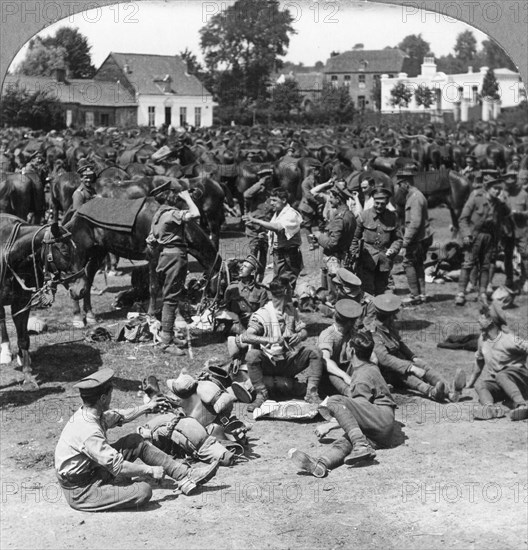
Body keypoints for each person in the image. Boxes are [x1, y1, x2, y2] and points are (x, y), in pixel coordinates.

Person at [54, 368, 219, 511]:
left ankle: (185, 475)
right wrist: (150, 470)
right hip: (82, 490)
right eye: (110, 394)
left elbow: (120, 416)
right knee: (143, 491)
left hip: (93, 470)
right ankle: (112, 486)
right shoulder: (88, 430)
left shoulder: (90, 413)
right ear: (103, 399)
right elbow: (117, 466)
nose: (112, 398)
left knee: (135, 441)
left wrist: (148, 406)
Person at [288, 331, 396, 477]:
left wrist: (330, 425)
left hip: (379, 418)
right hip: (382, 430)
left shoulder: (362, 377)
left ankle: (361, 445)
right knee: (346, 441)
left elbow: (356, 411)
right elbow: (359, 413)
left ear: (351, 350)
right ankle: (322, 463)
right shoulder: (369, 367)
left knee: (334, 400)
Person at [238, 277, 324, 411]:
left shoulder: (290, 311)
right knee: (252, 355)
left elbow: (304, 331)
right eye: (291, 289)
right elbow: (246, 336)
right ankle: (261, 394)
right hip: (268, 362)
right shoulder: (263, 314)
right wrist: (270, 340)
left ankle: (311, 393)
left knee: (315, 352)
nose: (293, 293)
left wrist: (300, 336)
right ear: (285, 291)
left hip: (288, 360)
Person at [371, 294, 465, 402]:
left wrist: (413, 357)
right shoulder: (374, 334)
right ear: (387, 317)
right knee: (406, 374)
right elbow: (385, 359)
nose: (395, 318)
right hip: (387, 373)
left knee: (423, 365)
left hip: (400, 363)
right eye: (393, 315)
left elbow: (400, 344)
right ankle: (431, 392)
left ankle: (449, 393)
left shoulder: (388, 327)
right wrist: (411, 367)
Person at [147, 187, 201, 354]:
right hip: (175, 257)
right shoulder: (172, 214)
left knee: (169, 296)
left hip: (164, 256)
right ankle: (166, 343)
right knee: (170, 299)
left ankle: (168, 335)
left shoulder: (157, 215)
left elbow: (150, 241)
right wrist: (188, 198)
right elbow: (196, 214)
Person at [455, 172, 511, 306]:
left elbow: (505, 216)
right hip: (474, 235)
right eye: (495, 188)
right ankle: (461, 293)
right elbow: (463, 219)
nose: (497, 191)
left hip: (490, 238)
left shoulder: (498, 203)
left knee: (486, 266)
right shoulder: (476, 197)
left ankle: (482, 293)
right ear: (487, 187)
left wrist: (504, 203)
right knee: (468, 264)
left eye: (499, 188)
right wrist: (467, 234)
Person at [466, 303, 528, 421]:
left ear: (490, 321)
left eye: (482, 317)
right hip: (502, 383)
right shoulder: (482, 339)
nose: (478, 320)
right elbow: (479, 362)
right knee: (480, 385)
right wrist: (470, 382)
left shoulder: (509, 339)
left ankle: (522, 405)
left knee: (501, 375)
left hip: (521, 380)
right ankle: (491, 409)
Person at [243, 188, 303, 289]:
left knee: (286, 285)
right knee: (278, 283)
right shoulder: (278, 213)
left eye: (275, 200)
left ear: (284, 200)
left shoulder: (291, 214)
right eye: (271, 200)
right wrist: (267, 235)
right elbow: (280, 232)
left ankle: (287, 302)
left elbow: (278, 227)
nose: (271, 203)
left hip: (289, 255)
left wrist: (255, 221)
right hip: (279, 254)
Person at [350, 183, 402, 296]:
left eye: (382, 204)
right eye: (377, 203)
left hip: (384, 260)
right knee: (367, 290)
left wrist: (393, 249)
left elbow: (398, 239)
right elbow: (354, 238)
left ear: (387, 203)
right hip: (366, 260)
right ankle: (368, 312)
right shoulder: (363, 216)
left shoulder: (392, 217)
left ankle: (380, 312)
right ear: (373, 201)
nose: (379, 206)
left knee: (381, 290)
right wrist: (354, 254)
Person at [394, 166, 433, 305]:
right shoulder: (414, 195)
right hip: (422, 236)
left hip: (418, 238)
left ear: (406, 183)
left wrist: (405, 242)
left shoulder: (415, 198)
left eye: (400, 184)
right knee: (418, 264)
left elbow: (415, 223)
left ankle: (415, 295)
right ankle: (422, 294)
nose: (399, 187)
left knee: (408, 263)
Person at [312, 182, 356, 299]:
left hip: (335, 258)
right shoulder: (350, 215)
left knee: (335, 290)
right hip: (344, 256)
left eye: (331, 197)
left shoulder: (339, 218)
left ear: (338, 198)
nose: (330, 201)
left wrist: (318, 236)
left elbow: (332, 243)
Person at [318, 299, 363, 396]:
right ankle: (352, 393)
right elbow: (325, 361)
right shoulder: (328, 335)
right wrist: (345, 376)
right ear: (350, 323)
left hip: (347, 371)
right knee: (332, 373)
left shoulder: (352, 333)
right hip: (331, 377)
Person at [223, 255, 269, 333]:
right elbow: (225, 310)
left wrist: (252, 315)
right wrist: (235, 318)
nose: (241, 268)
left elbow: (264, 313)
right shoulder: (231, 288)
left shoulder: (261, 291)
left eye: (245, 267)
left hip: (253, 325)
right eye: (241, 266)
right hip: (235, 325)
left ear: (253, 272)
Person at [242, 170, 274, 279]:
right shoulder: (255, 191)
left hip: (265, 228)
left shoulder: (271, 193)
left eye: (269, 178)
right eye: (266, 178)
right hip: (253, 228)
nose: (268, 180)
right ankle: (249, 277)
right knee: (253, 253)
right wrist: (261, 183)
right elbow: (246, 194)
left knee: (264, 254)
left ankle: (260, 277)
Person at [500, 171, 528, 292]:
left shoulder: (524, 194)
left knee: (525, 255)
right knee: (508, 255)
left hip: (521, 230)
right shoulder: (503, 194)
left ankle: (525, 279)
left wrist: (520, 213)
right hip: (507, 231)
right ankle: (509, 278)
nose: (510, 184)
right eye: (508, 182)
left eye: (512, 181)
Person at [297, 165, 324, 249]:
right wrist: (318, 202)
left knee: (321, 223)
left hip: (316, 207)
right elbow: (308, 195)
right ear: (313, 171)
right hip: (307, 207)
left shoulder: (316, 180)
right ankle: (311, 243)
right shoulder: (306, 182)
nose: (320, 173)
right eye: (318, 171)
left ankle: (322, 241)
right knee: (308, 226)